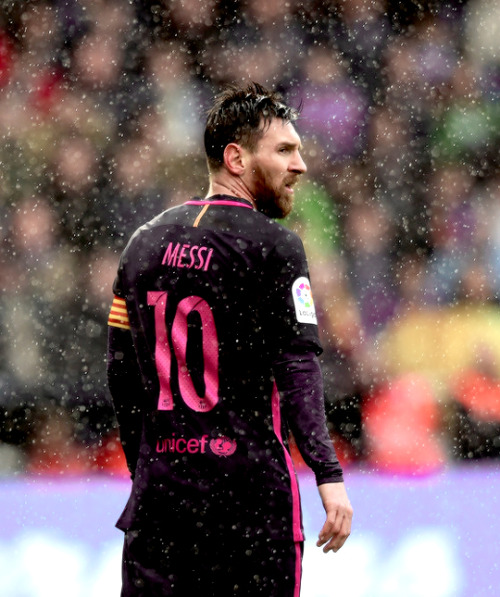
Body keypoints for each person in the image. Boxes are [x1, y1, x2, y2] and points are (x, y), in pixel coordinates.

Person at [107, 82, 353, 597]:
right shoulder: (275, 248)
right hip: (248, 502)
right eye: (285, 150)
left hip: (162, 506)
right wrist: (328, 474)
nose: (300, 164)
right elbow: (298, 369)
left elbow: (122, 376)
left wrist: (145, 469)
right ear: (236, 158)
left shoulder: (143, 244)